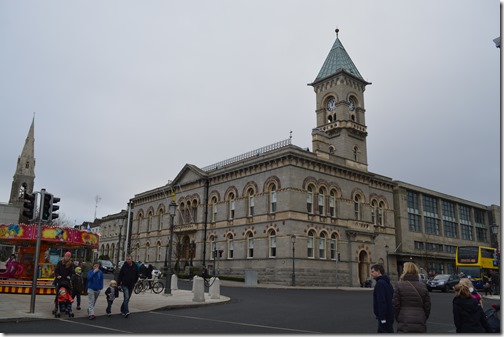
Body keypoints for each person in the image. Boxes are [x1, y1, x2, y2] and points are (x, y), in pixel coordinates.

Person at [392, 262, 431, 333]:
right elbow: (427, 306)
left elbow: (395, 305)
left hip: (404, 318)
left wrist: (398, 316)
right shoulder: (422, 285)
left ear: (405, 271)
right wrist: (423, 316)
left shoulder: (399, 285)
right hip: (420, 318)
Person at [371, 264, 394, 333]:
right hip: (389, 316)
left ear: (378, 271)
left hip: (384, 317)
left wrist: (382, 318)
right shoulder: (388, 283)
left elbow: (381, 302)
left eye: (372, 271)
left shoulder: (380, 284)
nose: (371, 274)